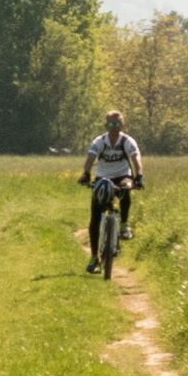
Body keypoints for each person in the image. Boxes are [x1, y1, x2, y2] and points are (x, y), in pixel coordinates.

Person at [78, 110, 145, 271]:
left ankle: (124, 224)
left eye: (117, 124)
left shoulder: (127, 141)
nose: (114, 127)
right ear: (105, 125)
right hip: (102, 178)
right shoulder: (100, 141)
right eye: (110, 124)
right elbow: (91, 158)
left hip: (122, 175)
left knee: (127, 187)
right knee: (95, 217)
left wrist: (139, 176)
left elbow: (136, 158)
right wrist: (86, 173)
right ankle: (94, 258)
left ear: (122, 125)